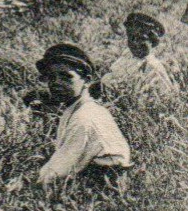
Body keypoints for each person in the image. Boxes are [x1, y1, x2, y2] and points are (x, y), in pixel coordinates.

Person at [34, 42, 132, 187]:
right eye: (51, 77)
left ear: (87, 80)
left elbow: (57, 172)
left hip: (101, 191)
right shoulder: (79, 108)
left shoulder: (85, 117)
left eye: (66, 77)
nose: (56, 83)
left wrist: (30, 185)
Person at [102, 11, 179, 99]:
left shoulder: (152, 68)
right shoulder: (128, 56)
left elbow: (162, 99)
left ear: (152, 42)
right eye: (131, 38)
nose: (135, 43)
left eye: (141, 39)